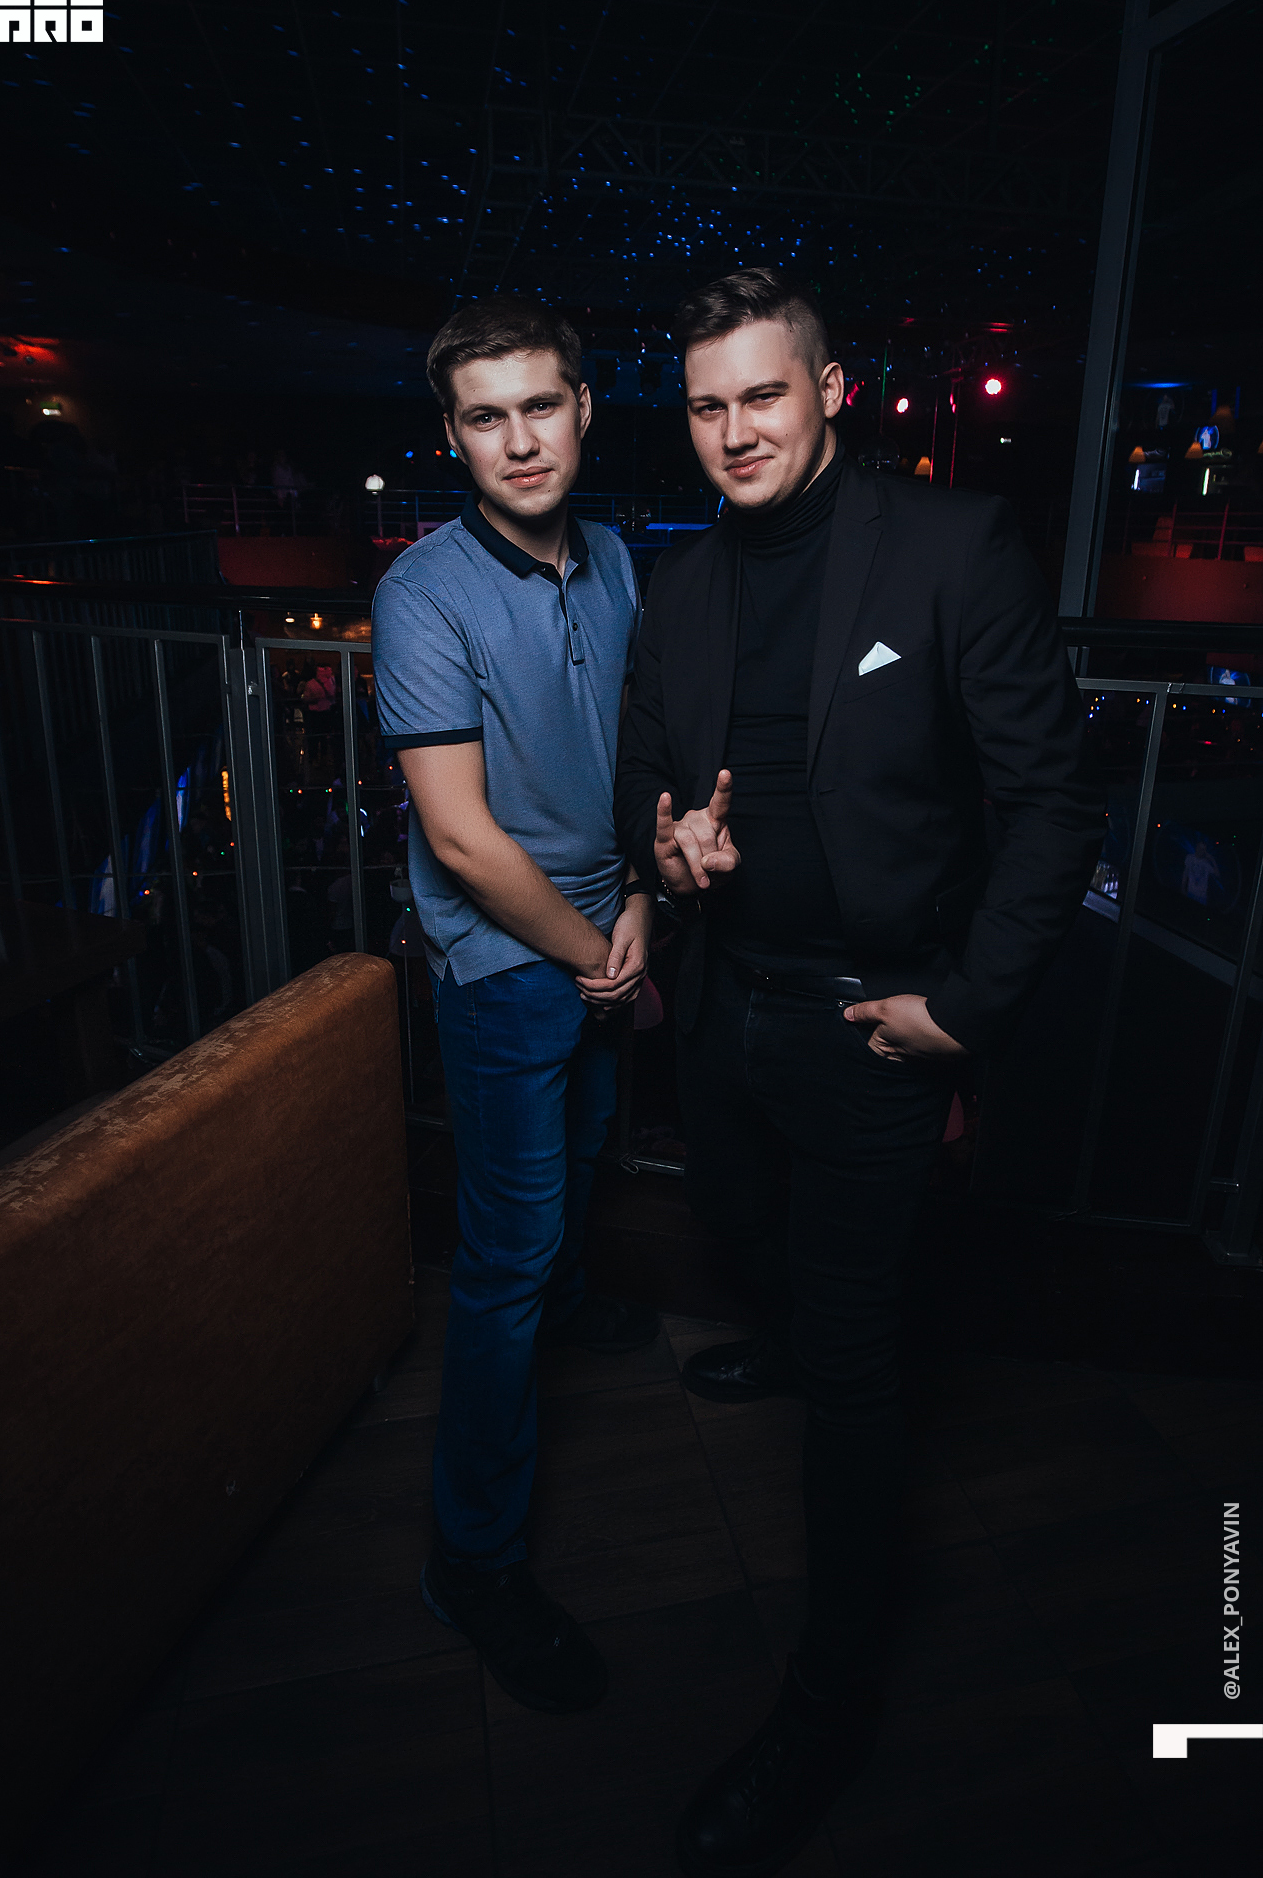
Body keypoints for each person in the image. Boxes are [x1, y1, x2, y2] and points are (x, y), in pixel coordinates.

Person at [613, 267, 1104, 1877]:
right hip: (727, 1010)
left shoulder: (952, 547)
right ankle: (801, 1332)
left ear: (831, 391)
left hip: (871, 1029)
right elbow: (645, 773)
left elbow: (1054, 807)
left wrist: (963, 1006)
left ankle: (826, 1707)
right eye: (708, 404)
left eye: (764, 393)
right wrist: (667, 851)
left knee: (856, 1367)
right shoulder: (682, 584)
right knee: (750, 1240)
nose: (735, 430)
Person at [372, 294, 659, 1720]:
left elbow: (644, 761)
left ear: (584, 410)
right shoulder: (422, 592)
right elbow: (464, 840)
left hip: (607, 928)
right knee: (502, 1259)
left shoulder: (616, 559)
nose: (521, 439)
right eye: (487, 417)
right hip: (504, 964)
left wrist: (644, 899)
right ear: (454, 436)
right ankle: (471, 1561)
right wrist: (605, 954)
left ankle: (572, 1293)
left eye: (541, 406)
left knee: (586, 1156)